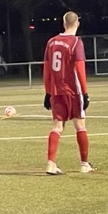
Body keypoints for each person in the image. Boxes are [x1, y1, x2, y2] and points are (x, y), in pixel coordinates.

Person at [42, 11, 93, 175]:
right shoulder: (76, 42)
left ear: (64, 24)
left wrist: (48, 92)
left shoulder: (51, 42)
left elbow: (46, 69)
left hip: (56, 91)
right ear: (77, 23)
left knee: (57, 127)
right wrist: (84, 92)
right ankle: (84, 164)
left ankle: (51, 164)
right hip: (73, 91)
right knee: (80, 126)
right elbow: (80, 69)